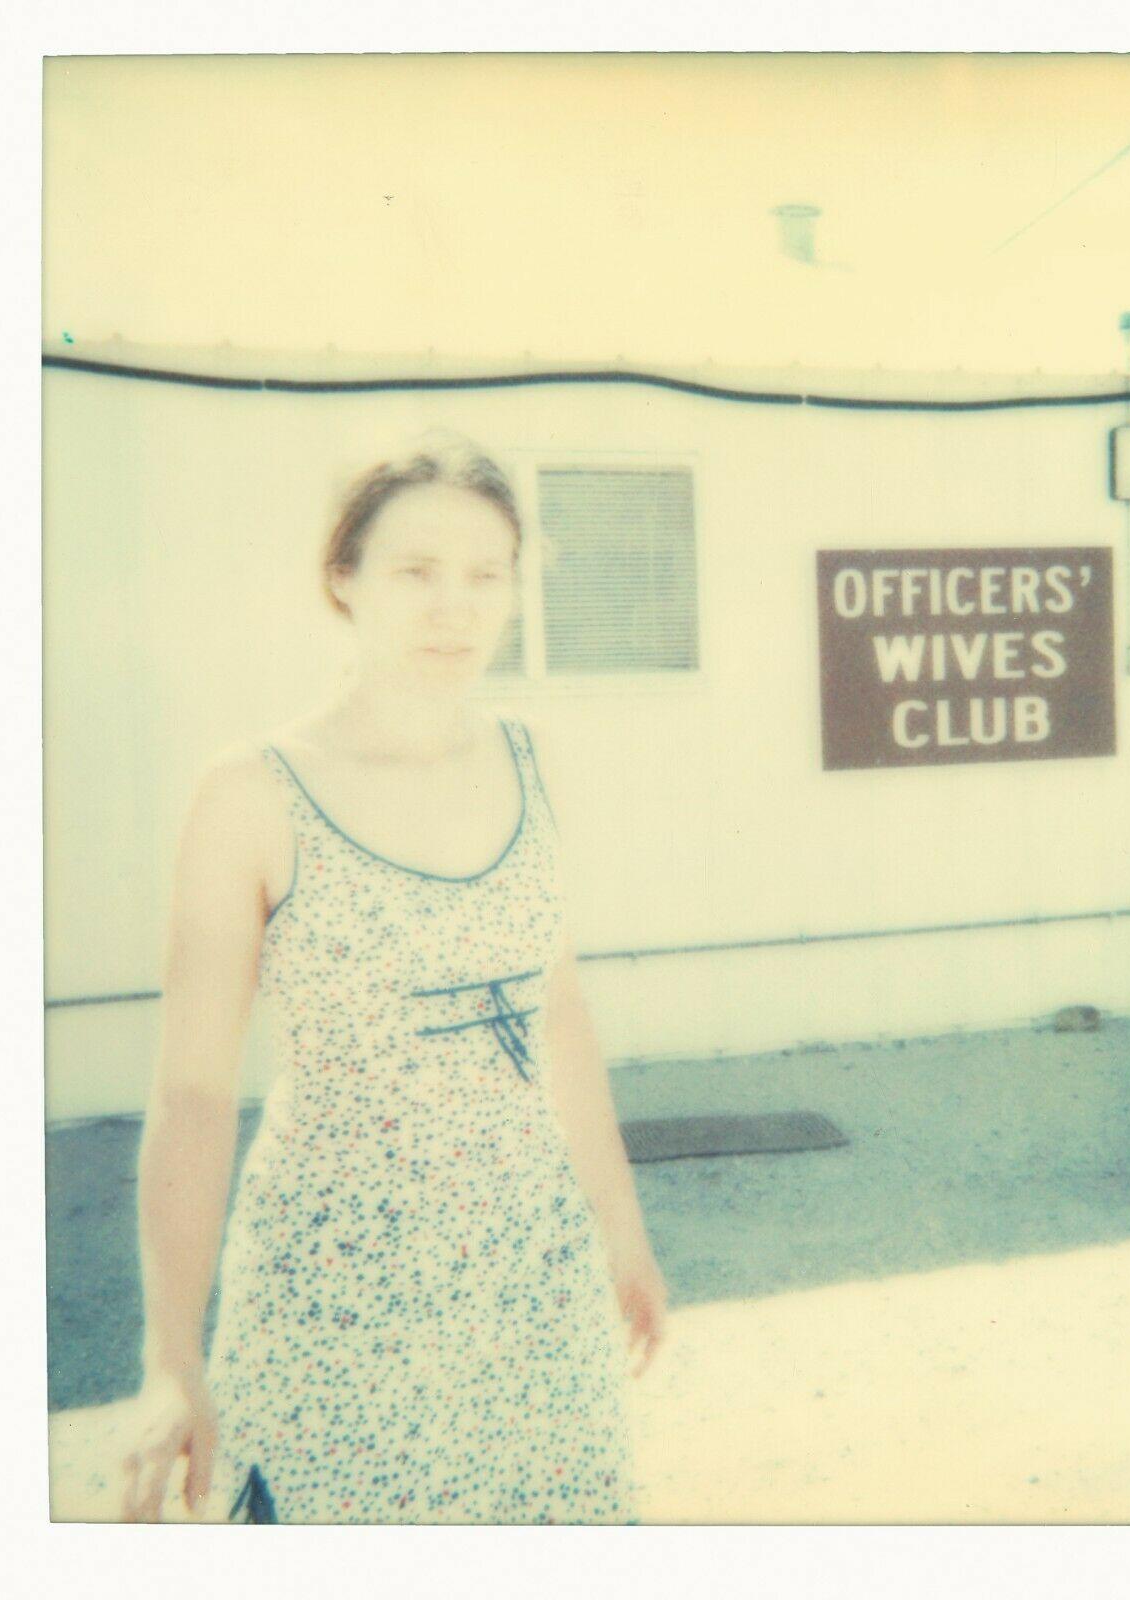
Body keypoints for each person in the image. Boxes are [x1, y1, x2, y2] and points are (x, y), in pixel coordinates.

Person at [119, 436, 667, 1524]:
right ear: (344, 578)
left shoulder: (533, 757)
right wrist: (169, 1355)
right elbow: (191, 1092)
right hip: (333, 1310)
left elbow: (555, 1011)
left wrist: (622, 1229)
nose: (452, 607)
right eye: (416, 571)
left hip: (535, 1296)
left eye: (485, 574)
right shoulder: (252, 794)